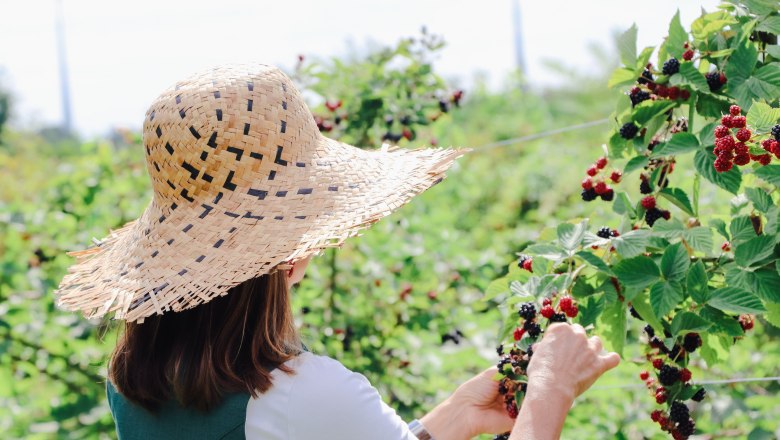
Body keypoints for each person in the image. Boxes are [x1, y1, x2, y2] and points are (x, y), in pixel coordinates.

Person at [55, 64, 620, 439]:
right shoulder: (301, 393)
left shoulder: (135, 383)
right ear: (288, 250)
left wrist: (450, 419)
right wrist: (551, 388)